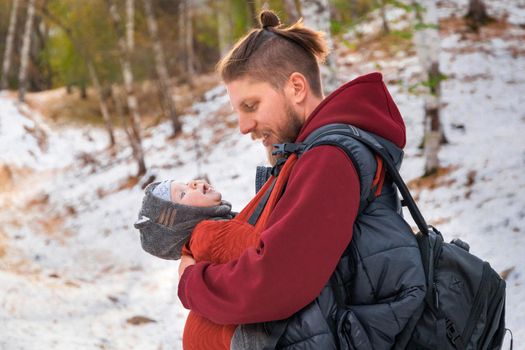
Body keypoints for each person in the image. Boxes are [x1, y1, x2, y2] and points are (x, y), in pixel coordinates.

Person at [177, 10, 425, 350]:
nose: (243, 126)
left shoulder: (330, 158)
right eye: (238, 111)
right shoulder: (311, 153)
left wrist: (192, 283)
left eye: (251, 105)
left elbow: (274, 281)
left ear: (296, 87)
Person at [135, 156, 297, 349]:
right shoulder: (208, 233)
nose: (193, 183)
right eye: (183, 194)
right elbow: (267, 248)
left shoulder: (209, 234)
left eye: (186, 184)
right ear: (181, 219)